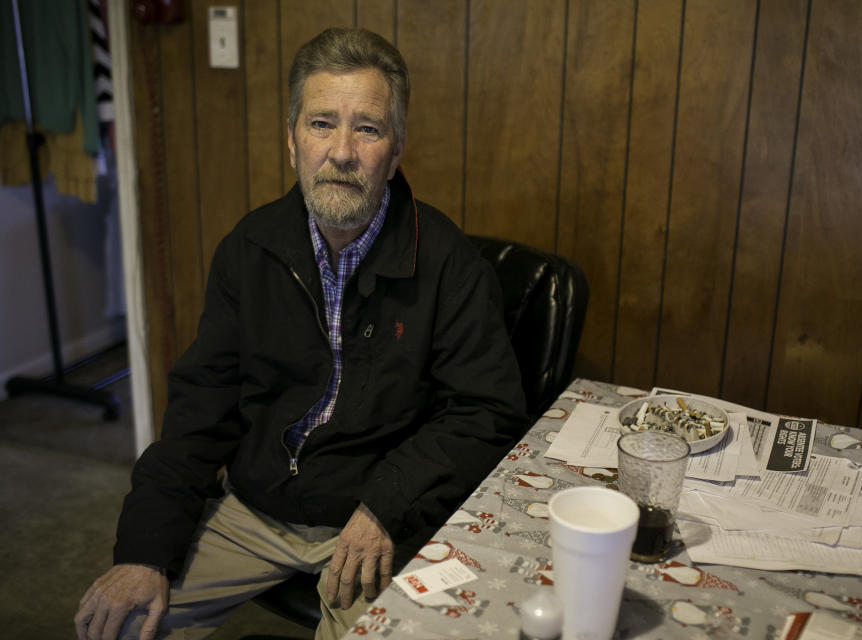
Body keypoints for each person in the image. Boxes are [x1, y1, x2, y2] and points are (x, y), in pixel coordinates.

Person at [74, 27, 527, 640]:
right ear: (291, 141)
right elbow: (197, 410)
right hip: (253, 508)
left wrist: (386, 506)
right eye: (320, 124)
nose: (341, 151)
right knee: (123, 622)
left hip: (372, 516)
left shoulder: (449, 264)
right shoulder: (248, 249)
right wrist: (144, 549)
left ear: (395, 152)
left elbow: (485, 410)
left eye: (367, 128)